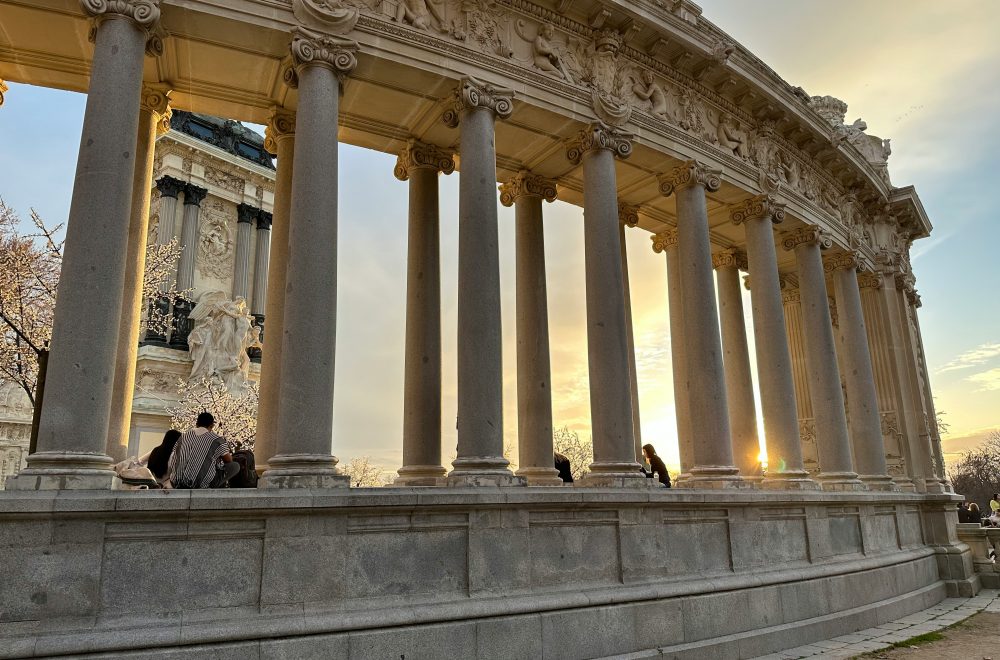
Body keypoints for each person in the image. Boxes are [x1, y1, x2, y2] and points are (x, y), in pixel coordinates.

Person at [168, 412, 239, 489]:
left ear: (197, 424)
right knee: (235, 466)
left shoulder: (183, 437)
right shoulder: (217, 440)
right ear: (212, 425)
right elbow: (229, 460)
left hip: (177, 482)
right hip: (201, 484)